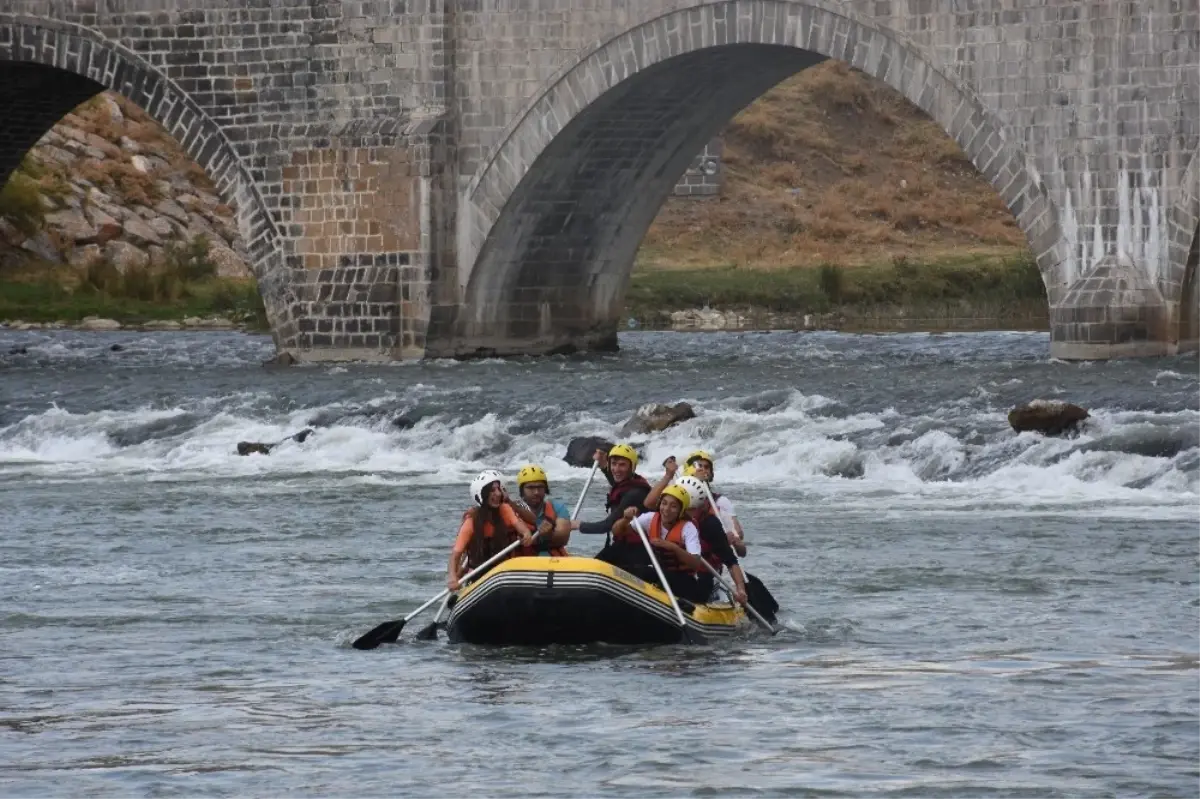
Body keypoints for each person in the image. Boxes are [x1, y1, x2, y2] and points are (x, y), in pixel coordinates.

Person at [609, 483, 709, 604]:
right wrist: (626, 518)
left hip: (683, 578)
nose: (666, 509)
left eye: (673, 506)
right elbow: (617, 531)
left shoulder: (688, 528)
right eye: (664, 503)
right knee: (631, 571)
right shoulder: (649, 518)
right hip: (659, 571)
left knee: (662, 579)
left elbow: (695, 563)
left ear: (681, 511)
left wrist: (673, 548)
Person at [446, 470, 534, 591]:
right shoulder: (471, 522)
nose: (498, 494)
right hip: (478, 574)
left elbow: (522, 528)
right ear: (481, 495)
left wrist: (526, 535)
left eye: (498, 489)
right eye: (492, 490)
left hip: (503, 571)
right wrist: (452, 577)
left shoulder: (505, 510)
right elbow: (455, 556)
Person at [674, 474, 749, 607]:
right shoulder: (666, 511)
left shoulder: (709, 524)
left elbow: (731, 561)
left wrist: (740, 589)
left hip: (702, 575)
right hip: (671, 571)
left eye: (693, 509)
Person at [570, 443, 652, 563]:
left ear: (632, 467)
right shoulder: (630, 482)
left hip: (637, 550)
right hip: (622, 546)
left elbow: (607, 525)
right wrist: (603, 464)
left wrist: (578, 525)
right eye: (613, 464)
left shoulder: (636, 493)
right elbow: (616, 483)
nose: (616, 469)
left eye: (622, 465)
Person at [684, 450, 746, 557]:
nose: (702, 470)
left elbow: (741, 549)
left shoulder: (720, 502)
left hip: (711, 560)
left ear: (711, 474)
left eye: (706, 467)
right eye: (699, 466)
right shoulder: (676, 498)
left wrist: (731, 539)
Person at [514, 464, 571, 556]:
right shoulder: (512, 510)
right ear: (522, 490)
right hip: (522, 563)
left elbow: (563, 538)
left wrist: (549, 535)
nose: (536, 492)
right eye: (530, 488)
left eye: (540, 487)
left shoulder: (557, 508)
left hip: (553, 562)